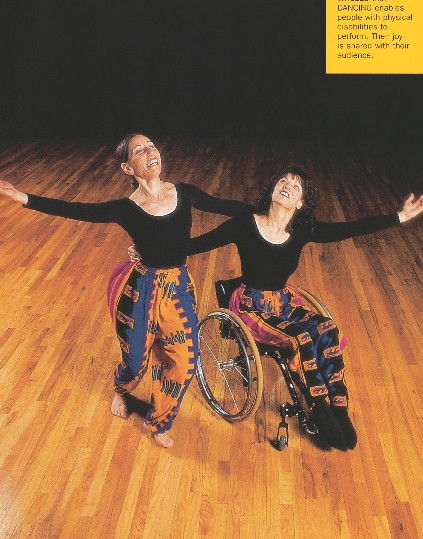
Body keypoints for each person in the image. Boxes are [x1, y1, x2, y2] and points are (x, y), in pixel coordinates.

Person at [0, 133, 250, 448]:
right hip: (140, 291)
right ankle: (121, 389)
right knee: (135, 363)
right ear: (128, 168)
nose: (150, 152)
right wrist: (24, 197)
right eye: (139, 150)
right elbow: (76, 210)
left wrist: (272, 212)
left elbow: (231, 207)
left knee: (186, 362)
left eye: (152, 146)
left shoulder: (185, 193)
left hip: (177, 289)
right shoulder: (126, 209)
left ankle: (160, 419)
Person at [187, 166, 423, 450]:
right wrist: (151, 249)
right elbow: (198, 244)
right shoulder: (244, 223)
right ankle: (319, 406)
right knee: (300, 337)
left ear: (300, 202)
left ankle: (339, 407)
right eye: (282, 180)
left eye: (296, 186)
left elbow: (349, 228)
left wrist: (400, 216)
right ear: (272, 190)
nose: (287, 185)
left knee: (326, 329)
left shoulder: (302, 231)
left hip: (284, 302)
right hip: (251, 307)